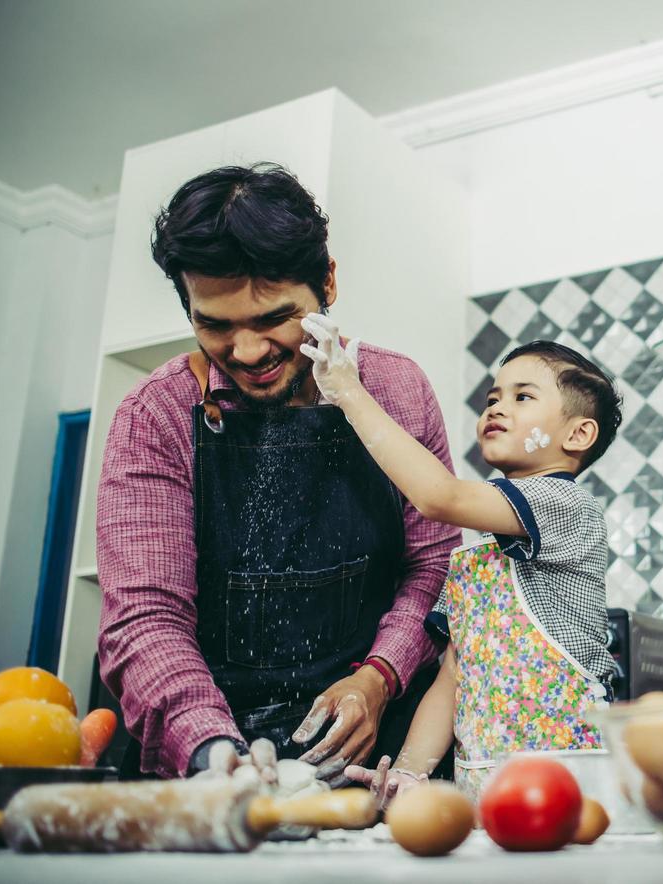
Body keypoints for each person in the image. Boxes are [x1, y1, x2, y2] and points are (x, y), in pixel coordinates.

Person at [96, 163, 460, 784]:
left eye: (273, 319)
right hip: (210, 758)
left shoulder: (397, 391)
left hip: (378, 754)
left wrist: (379, 677)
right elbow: (146, 618)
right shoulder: (152, 416)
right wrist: (217, 755)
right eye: (215, 324)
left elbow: (433, 568)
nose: (247, 351)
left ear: (328, 283)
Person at [299, 320, 623, 805]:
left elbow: (439, 496)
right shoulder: (479, 554)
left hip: (566, 776)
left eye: (522, 397)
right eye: (493, 397)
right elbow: (454, 675)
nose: (496, 406)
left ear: (577, 434)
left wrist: (350, 393)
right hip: (483, 786)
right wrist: (408, 773)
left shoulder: (567, 506)